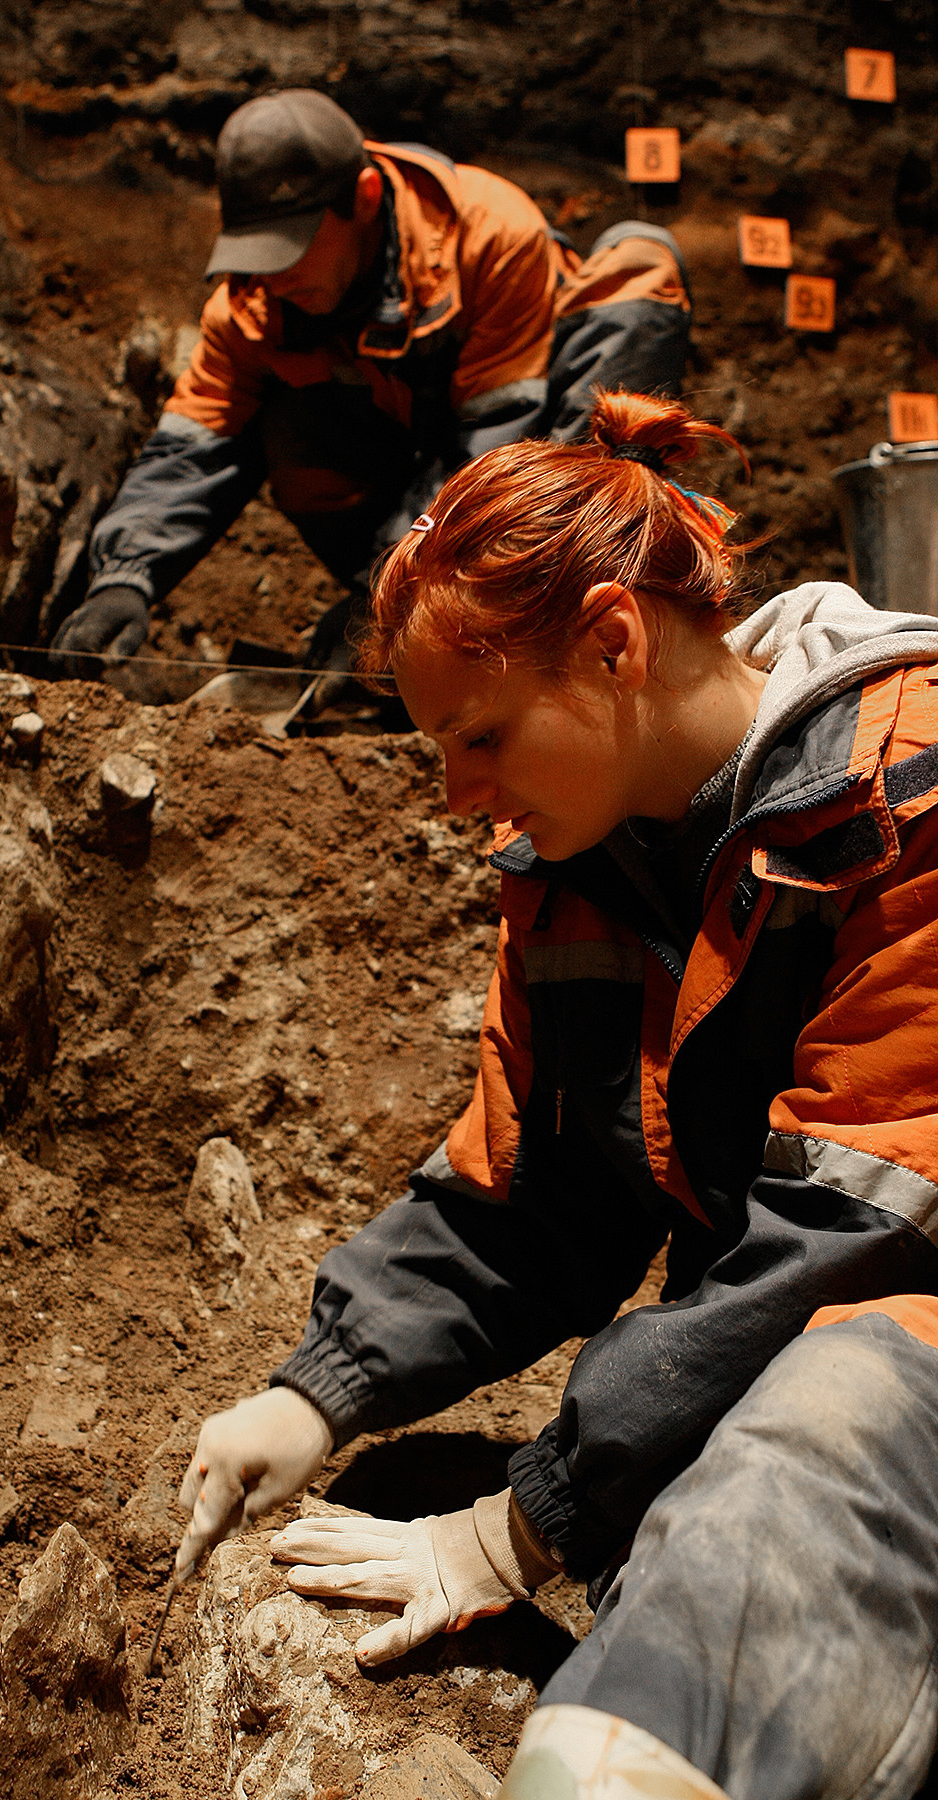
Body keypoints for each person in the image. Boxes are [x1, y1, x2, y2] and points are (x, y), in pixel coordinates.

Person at [172, 389, 938, 1800]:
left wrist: (519, 1528)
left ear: (613, 641)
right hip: (797, 1337)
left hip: (898, 1347)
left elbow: (869, 1225)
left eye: (482, 738)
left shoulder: (911, 796)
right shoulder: (584, 867)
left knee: (799, 1461)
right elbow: (534, 1195)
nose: (459, 797)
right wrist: (324, 1389)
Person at [52, 89, 691, 673]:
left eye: (290, 247)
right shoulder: (252, 306)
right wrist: (125, 580)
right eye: (257, 251)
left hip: (529, 492)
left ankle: (575, 612)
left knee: (638, 264)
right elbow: (191, 447)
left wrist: (387, 601)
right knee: (284, 423)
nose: (272, 278)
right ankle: (418, 640)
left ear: (361, 198)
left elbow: (496, 451)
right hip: (408, 501)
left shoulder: (489, 234)